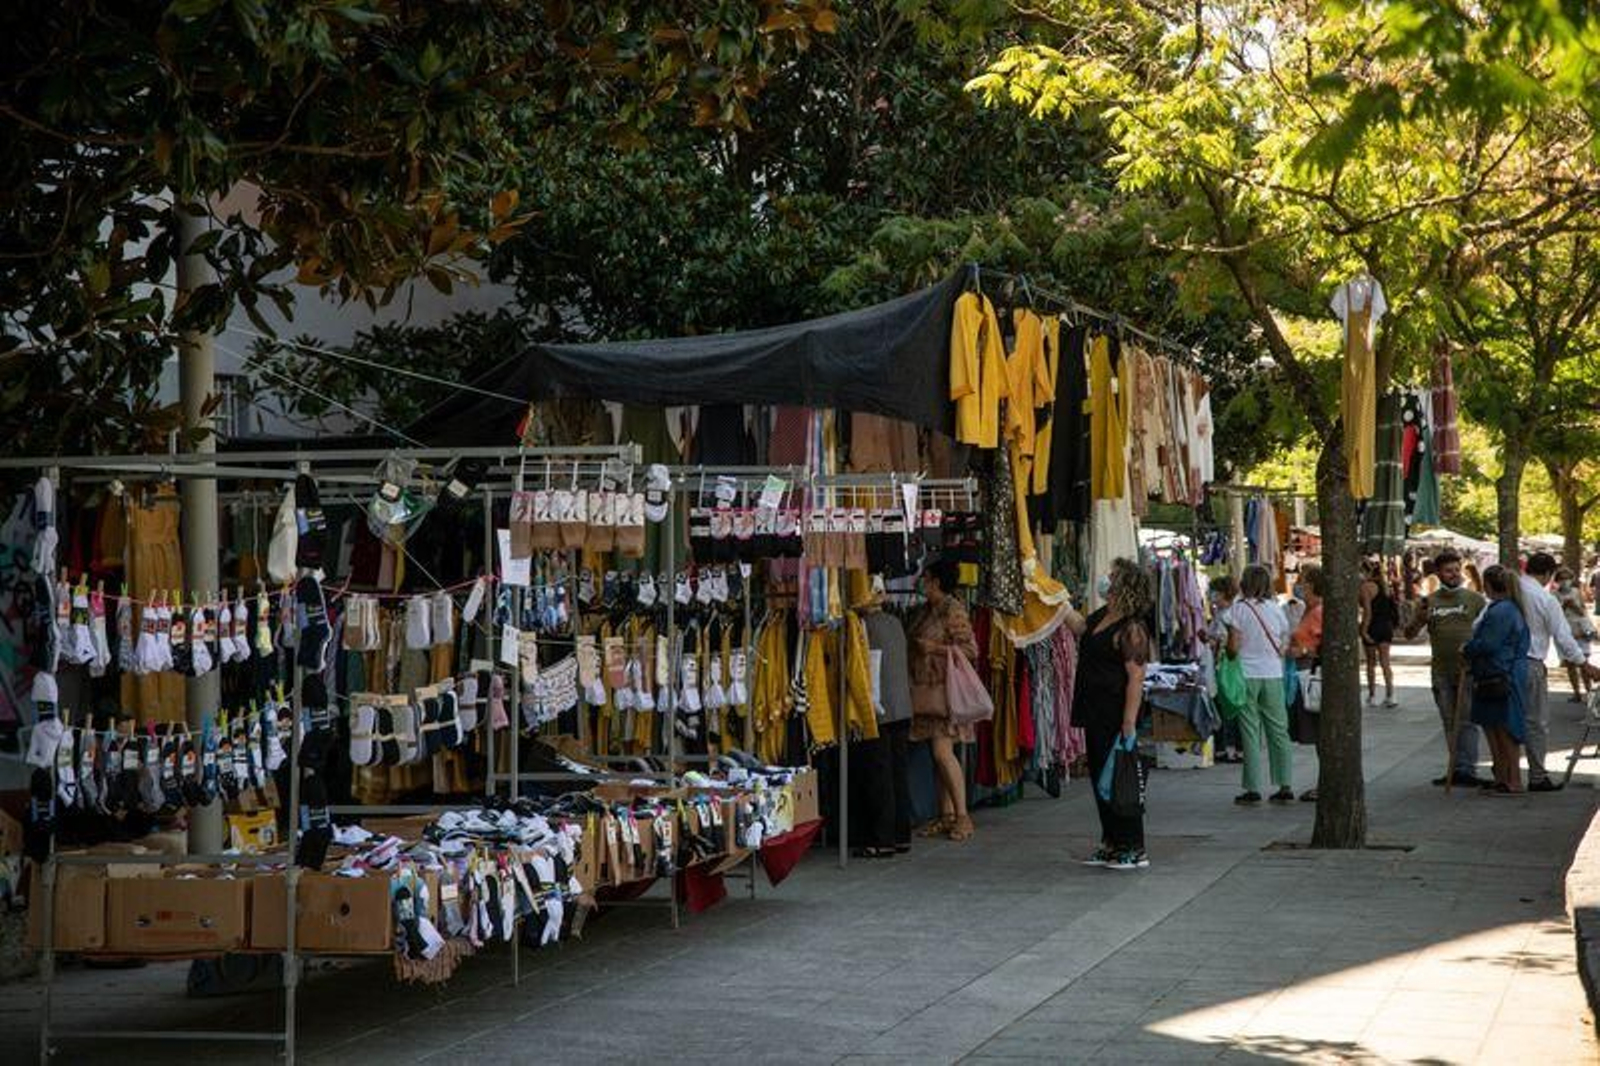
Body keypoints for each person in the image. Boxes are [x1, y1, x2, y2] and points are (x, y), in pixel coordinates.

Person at [1063, 557, 1153, 870]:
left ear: (1123, 585)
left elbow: (1136, 676)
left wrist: (1128, 721)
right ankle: (1112, 842)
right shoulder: (1102, 616)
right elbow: (1079, 627)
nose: (1106, 579)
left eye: (1112, 576)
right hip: (1094, 709)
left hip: (1115, 712)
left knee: (1120, 779)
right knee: (1101, 776)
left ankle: (1133, 846)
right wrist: (1055, 600)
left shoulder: (1131, 627)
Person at [1403, 550, 1490, 788]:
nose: (1454, 574)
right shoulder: (1429, 601)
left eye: (1456, 570)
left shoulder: (1475, 600)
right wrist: (1419, 618)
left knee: (1467, 721)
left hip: (1468, 670)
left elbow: (1487, 630)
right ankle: (1455, 767)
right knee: (1449, 720)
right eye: (1448, 571)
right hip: (1441, 671)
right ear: (1439, 573)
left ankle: (1467, 769)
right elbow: (1409, 634)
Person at [908, 555, 980, 841]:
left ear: (936, 582)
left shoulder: (953, 610)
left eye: (925, 579)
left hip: (945, 694)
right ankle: (947, 814)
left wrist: (934, 649)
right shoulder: (926, 611)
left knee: (942, 753)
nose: (921, 583)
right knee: (937, 756)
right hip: (927, 694)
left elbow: (971, 650)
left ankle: (962, 816)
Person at [1518, 552, 1600, 790]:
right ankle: (1537, 775)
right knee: (1535, 721)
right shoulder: (1544, 598)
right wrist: (1584, 664)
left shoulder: (1514, 589)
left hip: (1505, 663)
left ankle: (1507, 774)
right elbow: (1562, 636)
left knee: (1508, 721)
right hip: (1531, 661)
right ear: (1548, 574)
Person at [853, 576, 914, 858]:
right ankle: (901, 835)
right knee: (898, 773)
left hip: (879, 709)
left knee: (879, 774)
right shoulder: (895, 622)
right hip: (902, 706)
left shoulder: (862, 626)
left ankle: (882, 839)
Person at [1224, 563, 1294, 805]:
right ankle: (1285, 784)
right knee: (1279, 730)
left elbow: (1233, 647)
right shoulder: (1276, 609)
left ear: (1244, 583)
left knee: (1250, 732)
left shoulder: (1238, 610)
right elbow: (1285, 640)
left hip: (1247, 674)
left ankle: (1252, 788)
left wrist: (1227, 654)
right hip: (1273, 674)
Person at [1463, 565, 1531, 794]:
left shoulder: (1502, 610)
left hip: (1501, 673)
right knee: (1495, 727)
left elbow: (1490, 643)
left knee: (1504, 728)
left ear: (1488, 585)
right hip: (1497, 673)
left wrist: (1468, 648)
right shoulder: (1507, 608)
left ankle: (1512, 779)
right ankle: (1503, 777)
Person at [1287, 564, 1325, 802]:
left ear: (1311, 585)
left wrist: (1302, 651)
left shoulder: (1319, 611)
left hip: (1312, 676)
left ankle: (1325, 784)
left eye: (1301, 581)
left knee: (1321, 733)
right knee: (1318, 733)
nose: (1297, 585)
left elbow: (1324, 645)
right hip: (1304, 675)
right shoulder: (1309, 610)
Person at [1206, 574, 1243, 763]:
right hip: (1221, 664)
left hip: (1229, 665)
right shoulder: (1219, 614)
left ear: (1223, 593)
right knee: (1221, 704)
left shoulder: (1231, 614)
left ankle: (1233, 748)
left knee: (1230, 703)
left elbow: (1228, 641)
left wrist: (1214, 641)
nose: (1211, 596)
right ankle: (1223, 747)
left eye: (1214, 593)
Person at [1359, 559, 1399, 708]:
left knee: (1371, 663)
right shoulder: (1385, 587)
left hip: (1373, 626)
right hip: (1386, 626)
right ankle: (1391, 694)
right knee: (1385, 662)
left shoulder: (1366, 587)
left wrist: (1363, 630)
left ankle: (1372, 695)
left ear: (1366, 572)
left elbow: (1368, 612)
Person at [1554, 567, 1596, 702]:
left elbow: (1583, 612)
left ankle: (1589, 691)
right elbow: (1555, 615)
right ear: (1557, 580)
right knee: (1570, 664)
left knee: (1584, 662)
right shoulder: (1554, 595)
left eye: (1567, 578)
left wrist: (1573, 606)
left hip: (1580, 628)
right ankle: (1576, 692)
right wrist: (1564, 606)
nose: (1565, 581)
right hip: (1565, 629)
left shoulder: (1576, 592)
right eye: (1562, 579)